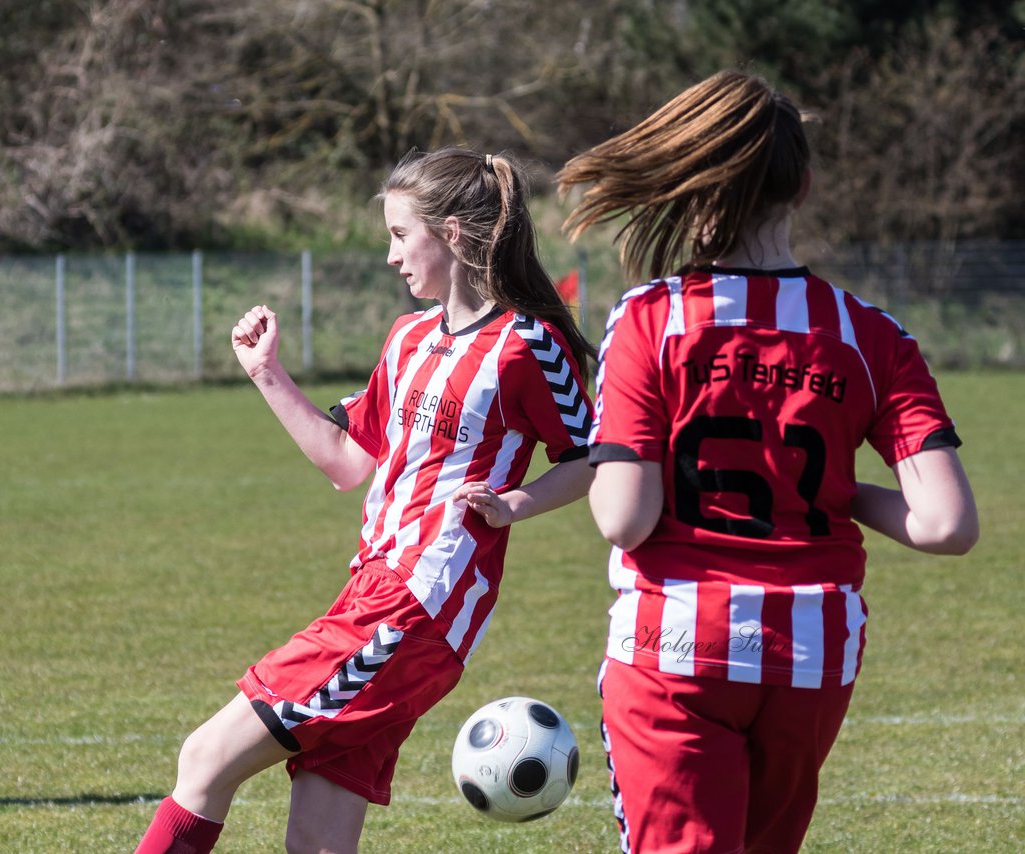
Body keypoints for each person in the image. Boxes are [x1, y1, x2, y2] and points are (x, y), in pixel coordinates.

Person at [556, 70, 978, 854]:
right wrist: (833, 492)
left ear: (693, 190)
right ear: (805, 187)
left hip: (676, 644)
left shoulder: (651, 319)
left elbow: (623, 516)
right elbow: (947, 525)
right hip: (812, 652)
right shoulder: (870, 335)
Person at [133, 147, 597, 854]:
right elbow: (347, 462)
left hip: (417, 604)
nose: (389, 256)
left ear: (452, 235)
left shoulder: (524, 344)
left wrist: (516, 504)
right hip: (373, 594)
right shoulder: (408, 338)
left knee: (204, 758)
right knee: (318, 839)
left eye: (399, 234)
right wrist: (267, 374)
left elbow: (590, 457)